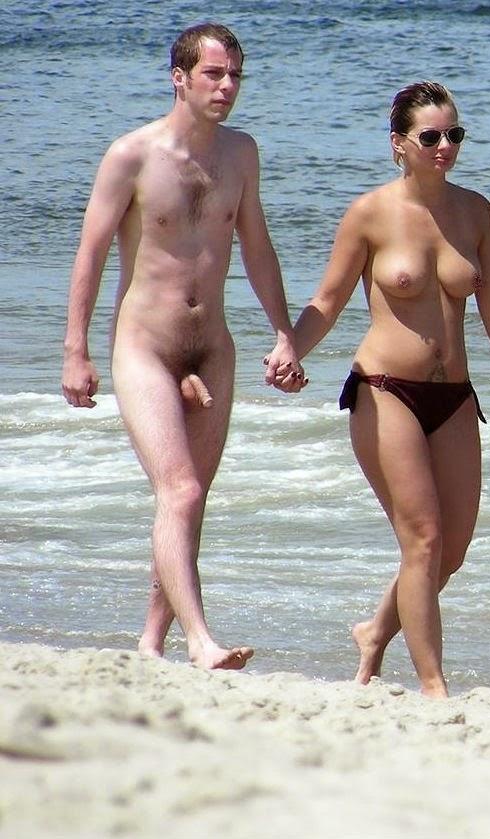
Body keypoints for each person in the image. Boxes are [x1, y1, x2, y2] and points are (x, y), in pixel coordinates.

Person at [284, 81, 490, 698]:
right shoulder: (369, 213)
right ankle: (433, 687)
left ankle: (375, 631)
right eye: (431, 136)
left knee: (451, 551)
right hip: (385, 390)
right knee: (422, 539)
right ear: (399, 142)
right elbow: (328, 300)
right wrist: (290, 348)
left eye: (455, 135)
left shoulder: (475, 212)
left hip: (454, 397)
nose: (444, 146)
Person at [61, 23, 304, 669]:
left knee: (188, 502)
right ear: (180, 78)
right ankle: (201, 641)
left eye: (235, 76)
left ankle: (150, 641)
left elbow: (257, 246)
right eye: (213, 74)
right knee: (182, 490)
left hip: (213, 347)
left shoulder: (241, 153)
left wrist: (285, 333)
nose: (227, 87)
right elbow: (90, 253)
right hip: (145, 348)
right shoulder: (131, 155)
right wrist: (75, 350)